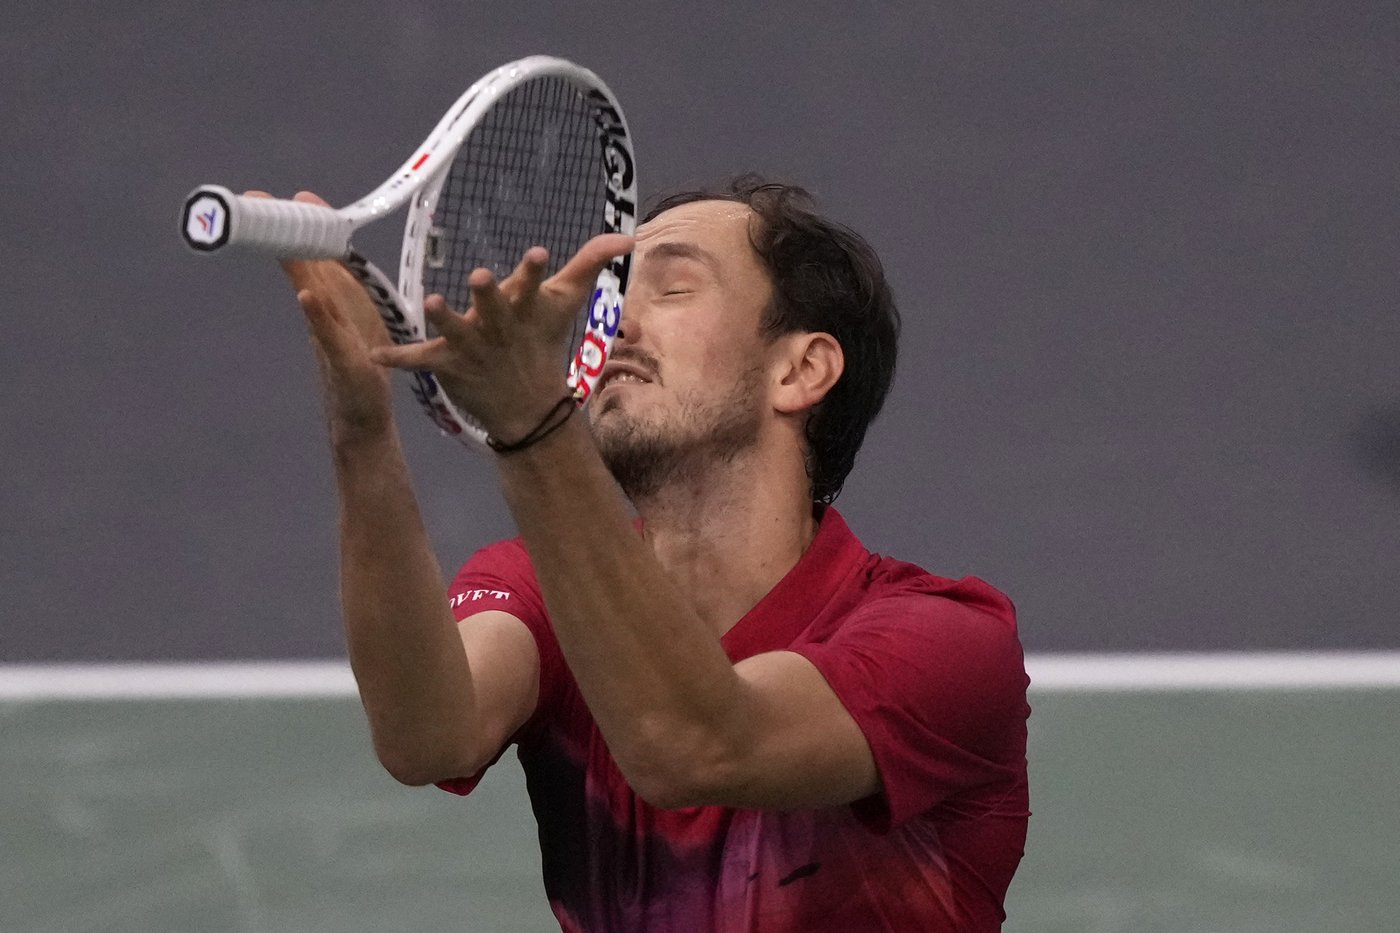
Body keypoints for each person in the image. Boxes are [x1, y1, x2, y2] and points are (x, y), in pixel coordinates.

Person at [276, 176, 1029, 932]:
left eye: (671, 289)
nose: (612, 324)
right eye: (614, 294)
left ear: (800, 369)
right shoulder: (539, 589)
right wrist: (361, 425)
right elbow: (426, 735)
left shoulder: (949, 643)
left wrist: (532, 425)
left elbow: (697, 743)